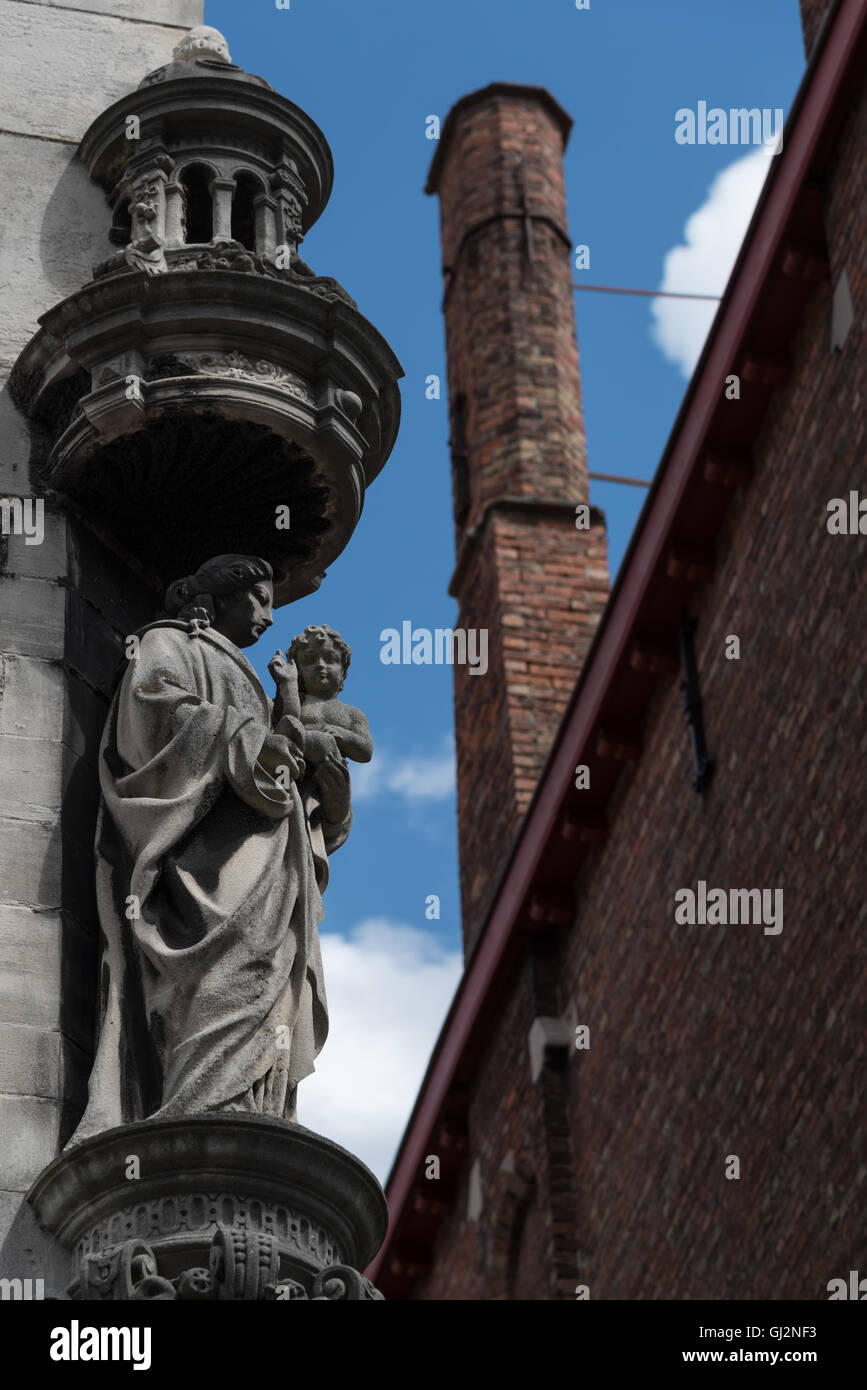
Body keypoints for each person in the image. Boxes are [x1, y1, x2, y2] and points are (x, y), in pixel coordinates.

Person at [68, 555, 352, 1144]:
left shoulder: (251, 674)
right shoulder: (168, 644)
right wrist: (255, 743)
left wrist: (315, 775)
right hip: (208, 859)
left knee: (270, 970)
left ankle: (256, 1108)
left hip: (273, 858)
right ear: (220, 596)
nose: (272, 618)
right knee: (234, 964)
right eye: (262, 600)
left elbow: (292, 775)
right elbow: (153, 713)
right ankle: (195, 1112)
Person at [268, 624, 373, 771]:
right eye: (310, 660)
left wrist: (341, 734)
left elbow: (366, 751)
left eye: (329, 659)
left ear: (343, 670)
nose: (320, 665)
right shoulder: (294, 699)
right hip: (291, 768)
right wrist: (287, 683)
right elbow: (285, 723)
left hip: (328, 775)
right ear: (297, 669)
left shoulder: (352, 714)